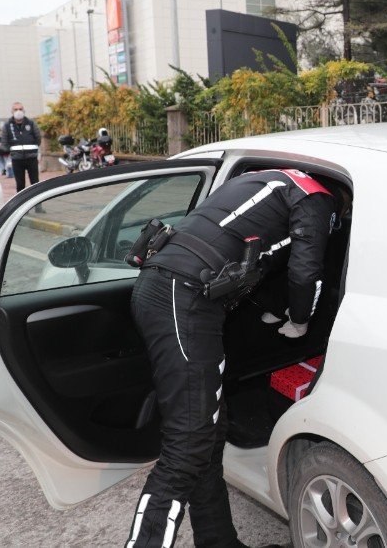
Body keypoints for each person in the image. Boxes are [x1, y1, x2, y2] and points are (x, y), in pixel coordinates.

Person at [124, 168, 343, 548]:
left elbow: (256, 255)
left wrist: (278, 309)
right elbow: (305, 271)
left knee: (209, 435)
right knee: (188, 445)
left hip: (168, 288)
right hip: (182, 296)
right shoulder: (314, 197)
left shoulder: (263, 179)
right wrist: (301, 319)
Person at [4, 102, 42, 192]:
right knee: (20, 185)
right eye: (16, 109)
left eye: (20, 109)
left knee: (35, 183)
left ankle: (38, 204)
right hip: (17, 159)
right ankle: (23, 205)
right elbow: (4, 141)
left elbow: (38, 138)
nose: (18, 111)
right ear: (12, 111)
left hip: (31, 158)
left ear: (24, 111)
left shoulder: (31, 123)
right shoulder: (7, 125)